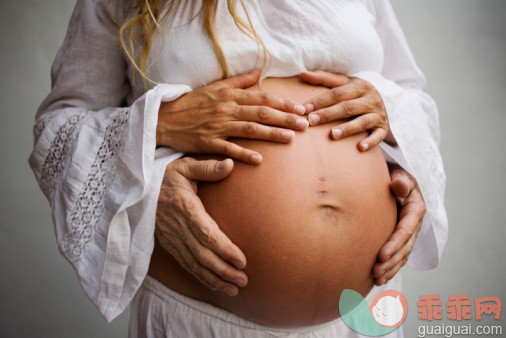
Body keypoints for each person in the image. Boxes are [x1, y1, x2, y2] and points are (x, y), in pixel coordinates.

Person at [28, 0, 448, 337]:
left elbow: (410, 94)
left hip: (360, 319)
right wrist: (159, 129)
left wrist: (393, 123)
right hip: (199, 319)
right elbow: (61, 125)